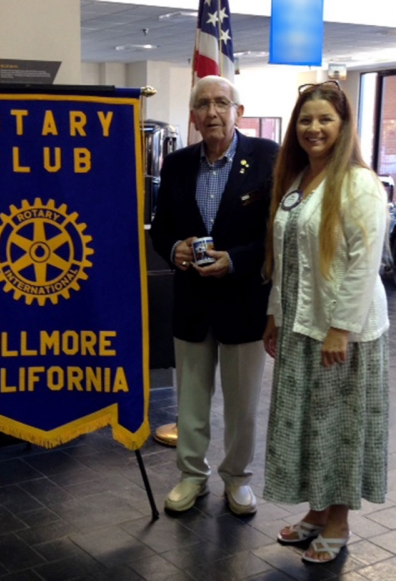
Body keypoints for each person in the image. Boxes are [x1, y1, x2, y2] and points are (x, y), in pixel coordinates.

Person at [262, 81, 389, 563]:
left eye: (324, 120)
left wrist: (341, 327)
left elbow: (364, 261)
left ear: (344, 126)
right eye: (305, 120)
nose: (313, 129)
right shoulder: (297, 181)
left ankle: (338, 522)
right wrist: (275, 312)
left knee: (338, 428)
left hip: (342, 334)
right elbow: (286, 256)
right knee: (310, 425)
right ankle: (317, 512)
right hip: (299, 325)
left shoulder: (358, 184)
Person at [150, 75, 278, 515]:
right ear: (193, 116)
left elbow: (276, 235)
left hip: (244, 303)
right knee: (189, 400)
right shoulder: (179, 163)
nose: (212, 112)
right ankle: (191, 476)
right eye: (203, 104)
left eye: (222, 103)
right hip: (191, 303)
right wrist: (173, 248)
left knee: (243, 405)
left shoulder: (266, 158)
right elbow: (161, 228)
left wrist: (236, 260)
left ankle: (237, 479)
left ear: (237, 111)